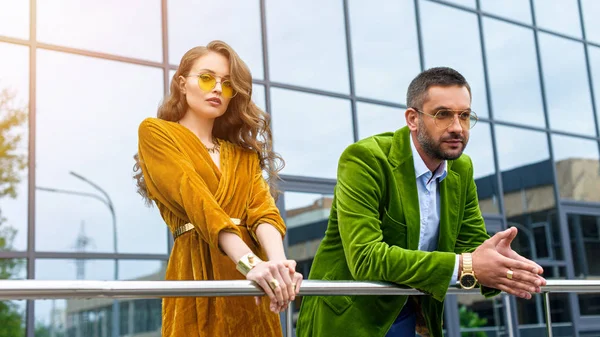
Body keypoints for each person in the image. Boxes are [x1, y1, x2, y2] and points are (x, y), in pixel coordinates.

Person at [296, 67, 546, 337]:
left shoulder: (461, 169)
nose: (456, 127)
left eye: (464, 116)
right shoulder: (364, 159)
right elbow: (366, 257)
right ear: (413, 119)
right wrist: (467, 266)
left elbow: (471, 246)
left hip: (410, 316)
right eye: (442, 115)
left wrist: (503, 265)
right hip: (349, 316)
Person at [133, 40, 302, 337]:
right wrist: (249, 263)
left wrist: (277, 264)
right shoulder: (156, 133)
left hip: (255, 283)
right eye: (207, 78)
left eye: (226, 84)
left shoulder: (242, 155)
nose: (217, 89)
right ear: (182, 84)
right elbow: (196, 200)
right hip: (199, 273)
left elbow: (264, 213)